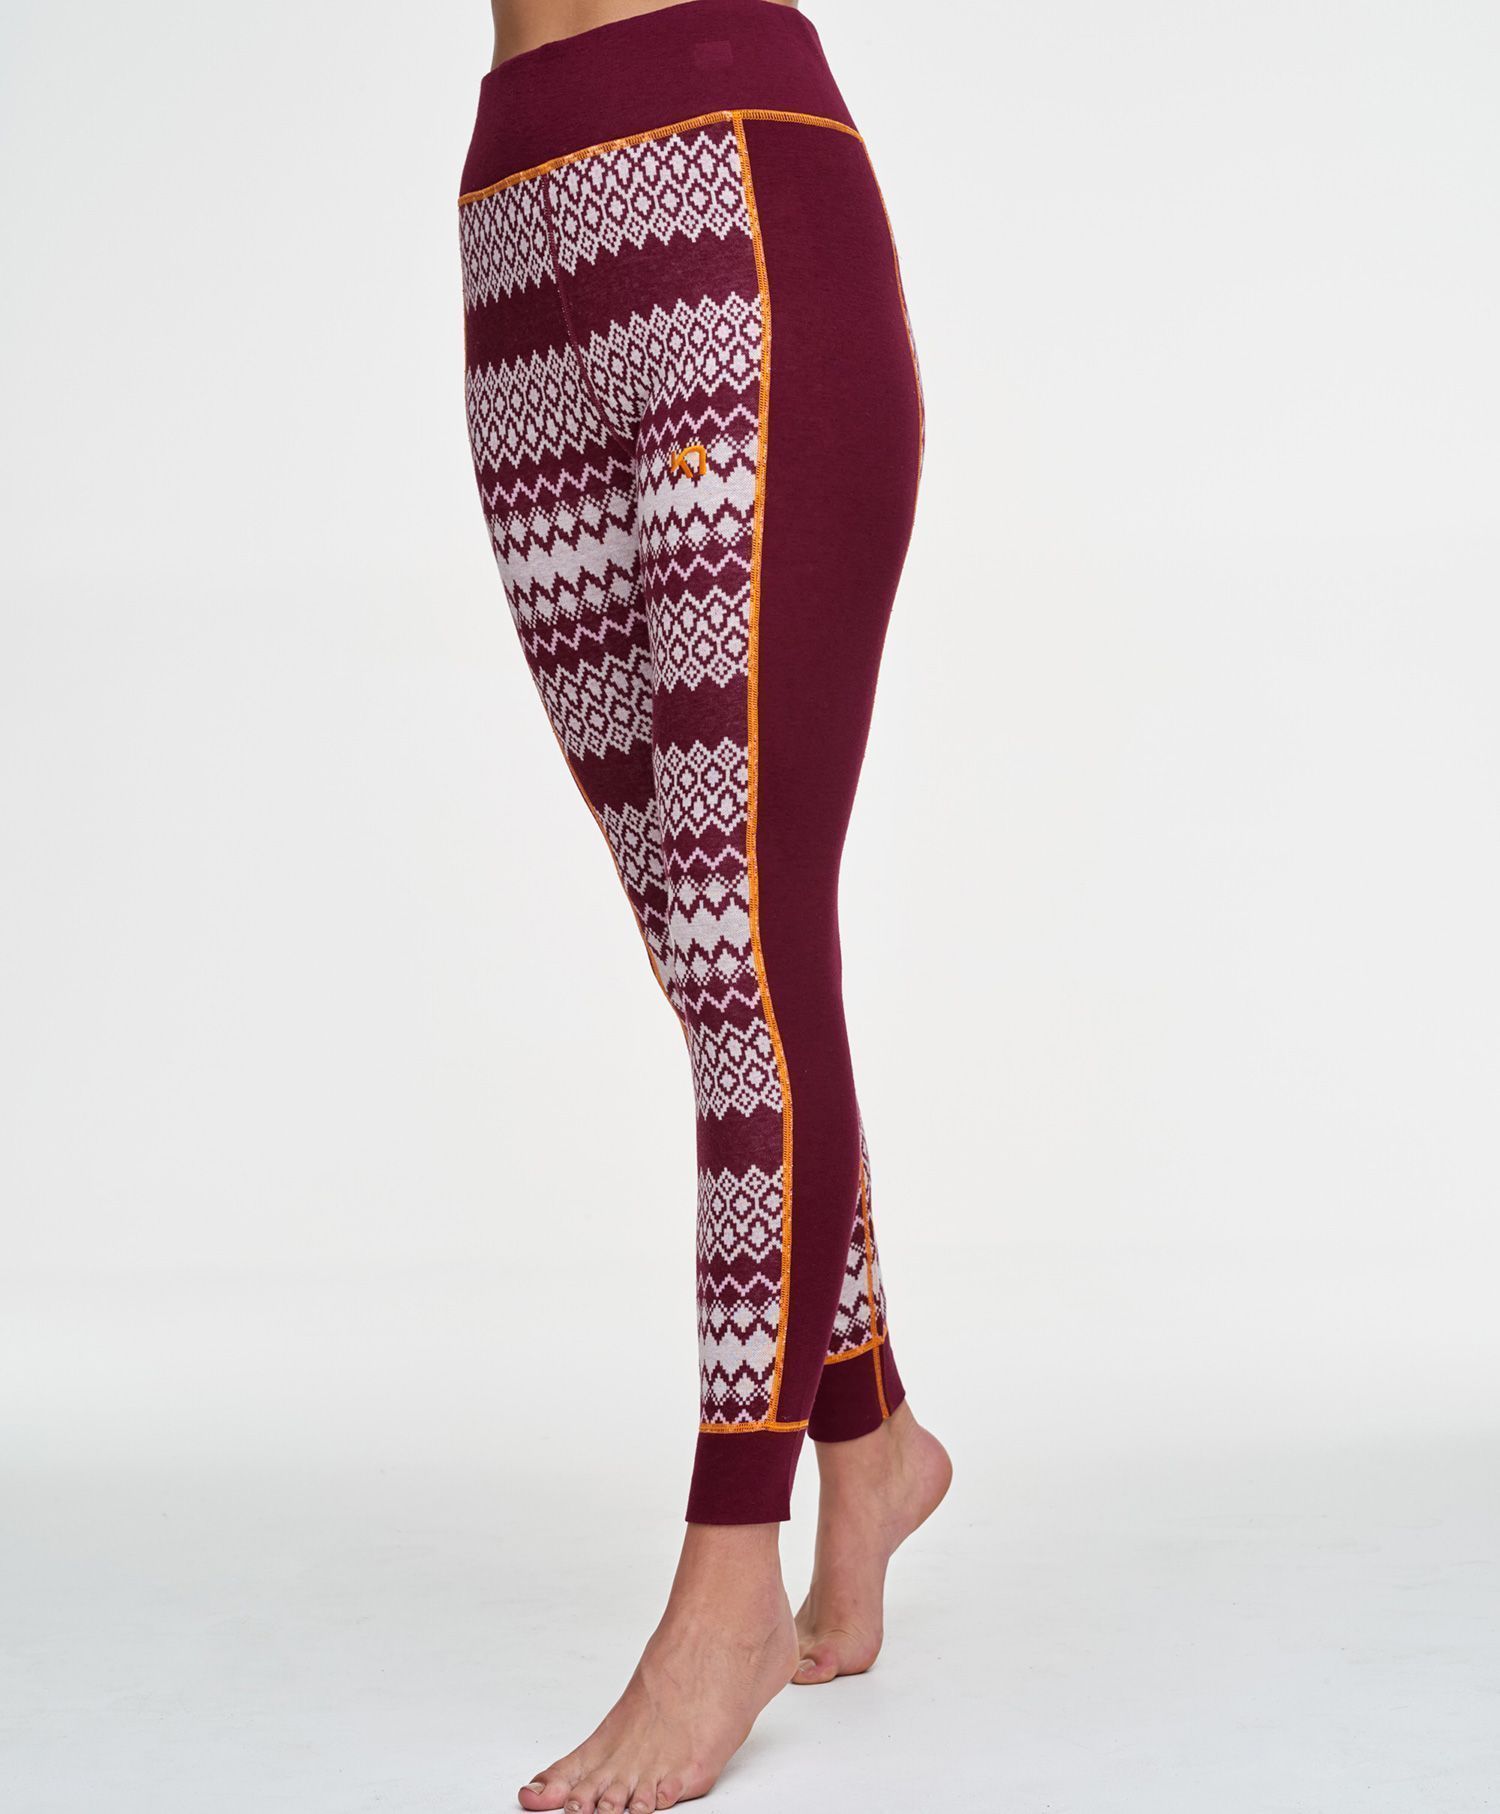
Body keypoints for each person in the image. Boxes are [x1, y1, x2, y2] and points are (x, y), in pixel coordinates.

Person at [458, 2, 951, 1806]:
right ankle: (872, 1436)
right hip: (515, 213)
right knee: (701, 945)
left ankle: (729, 1568)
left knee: (743, 939)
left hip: (728, 198)